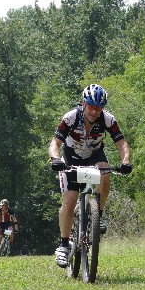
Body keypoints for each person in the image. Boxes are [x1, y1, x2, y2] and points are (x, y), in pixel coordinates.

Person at [48, 84, 132, 268]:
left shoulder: (108, 120)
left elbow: (122, 144)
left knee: (106, 172)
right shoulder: (70, 118)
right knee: (70, 199)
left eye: (99, 107)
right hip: (70, 157)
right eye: (91, 106)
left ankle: (98, 215)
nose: (94, 111)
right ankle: (63, 245)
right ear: (83, 103)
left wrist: (125, 161)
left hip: (94, 156)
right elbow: (55, 143)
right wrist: (55, 158)